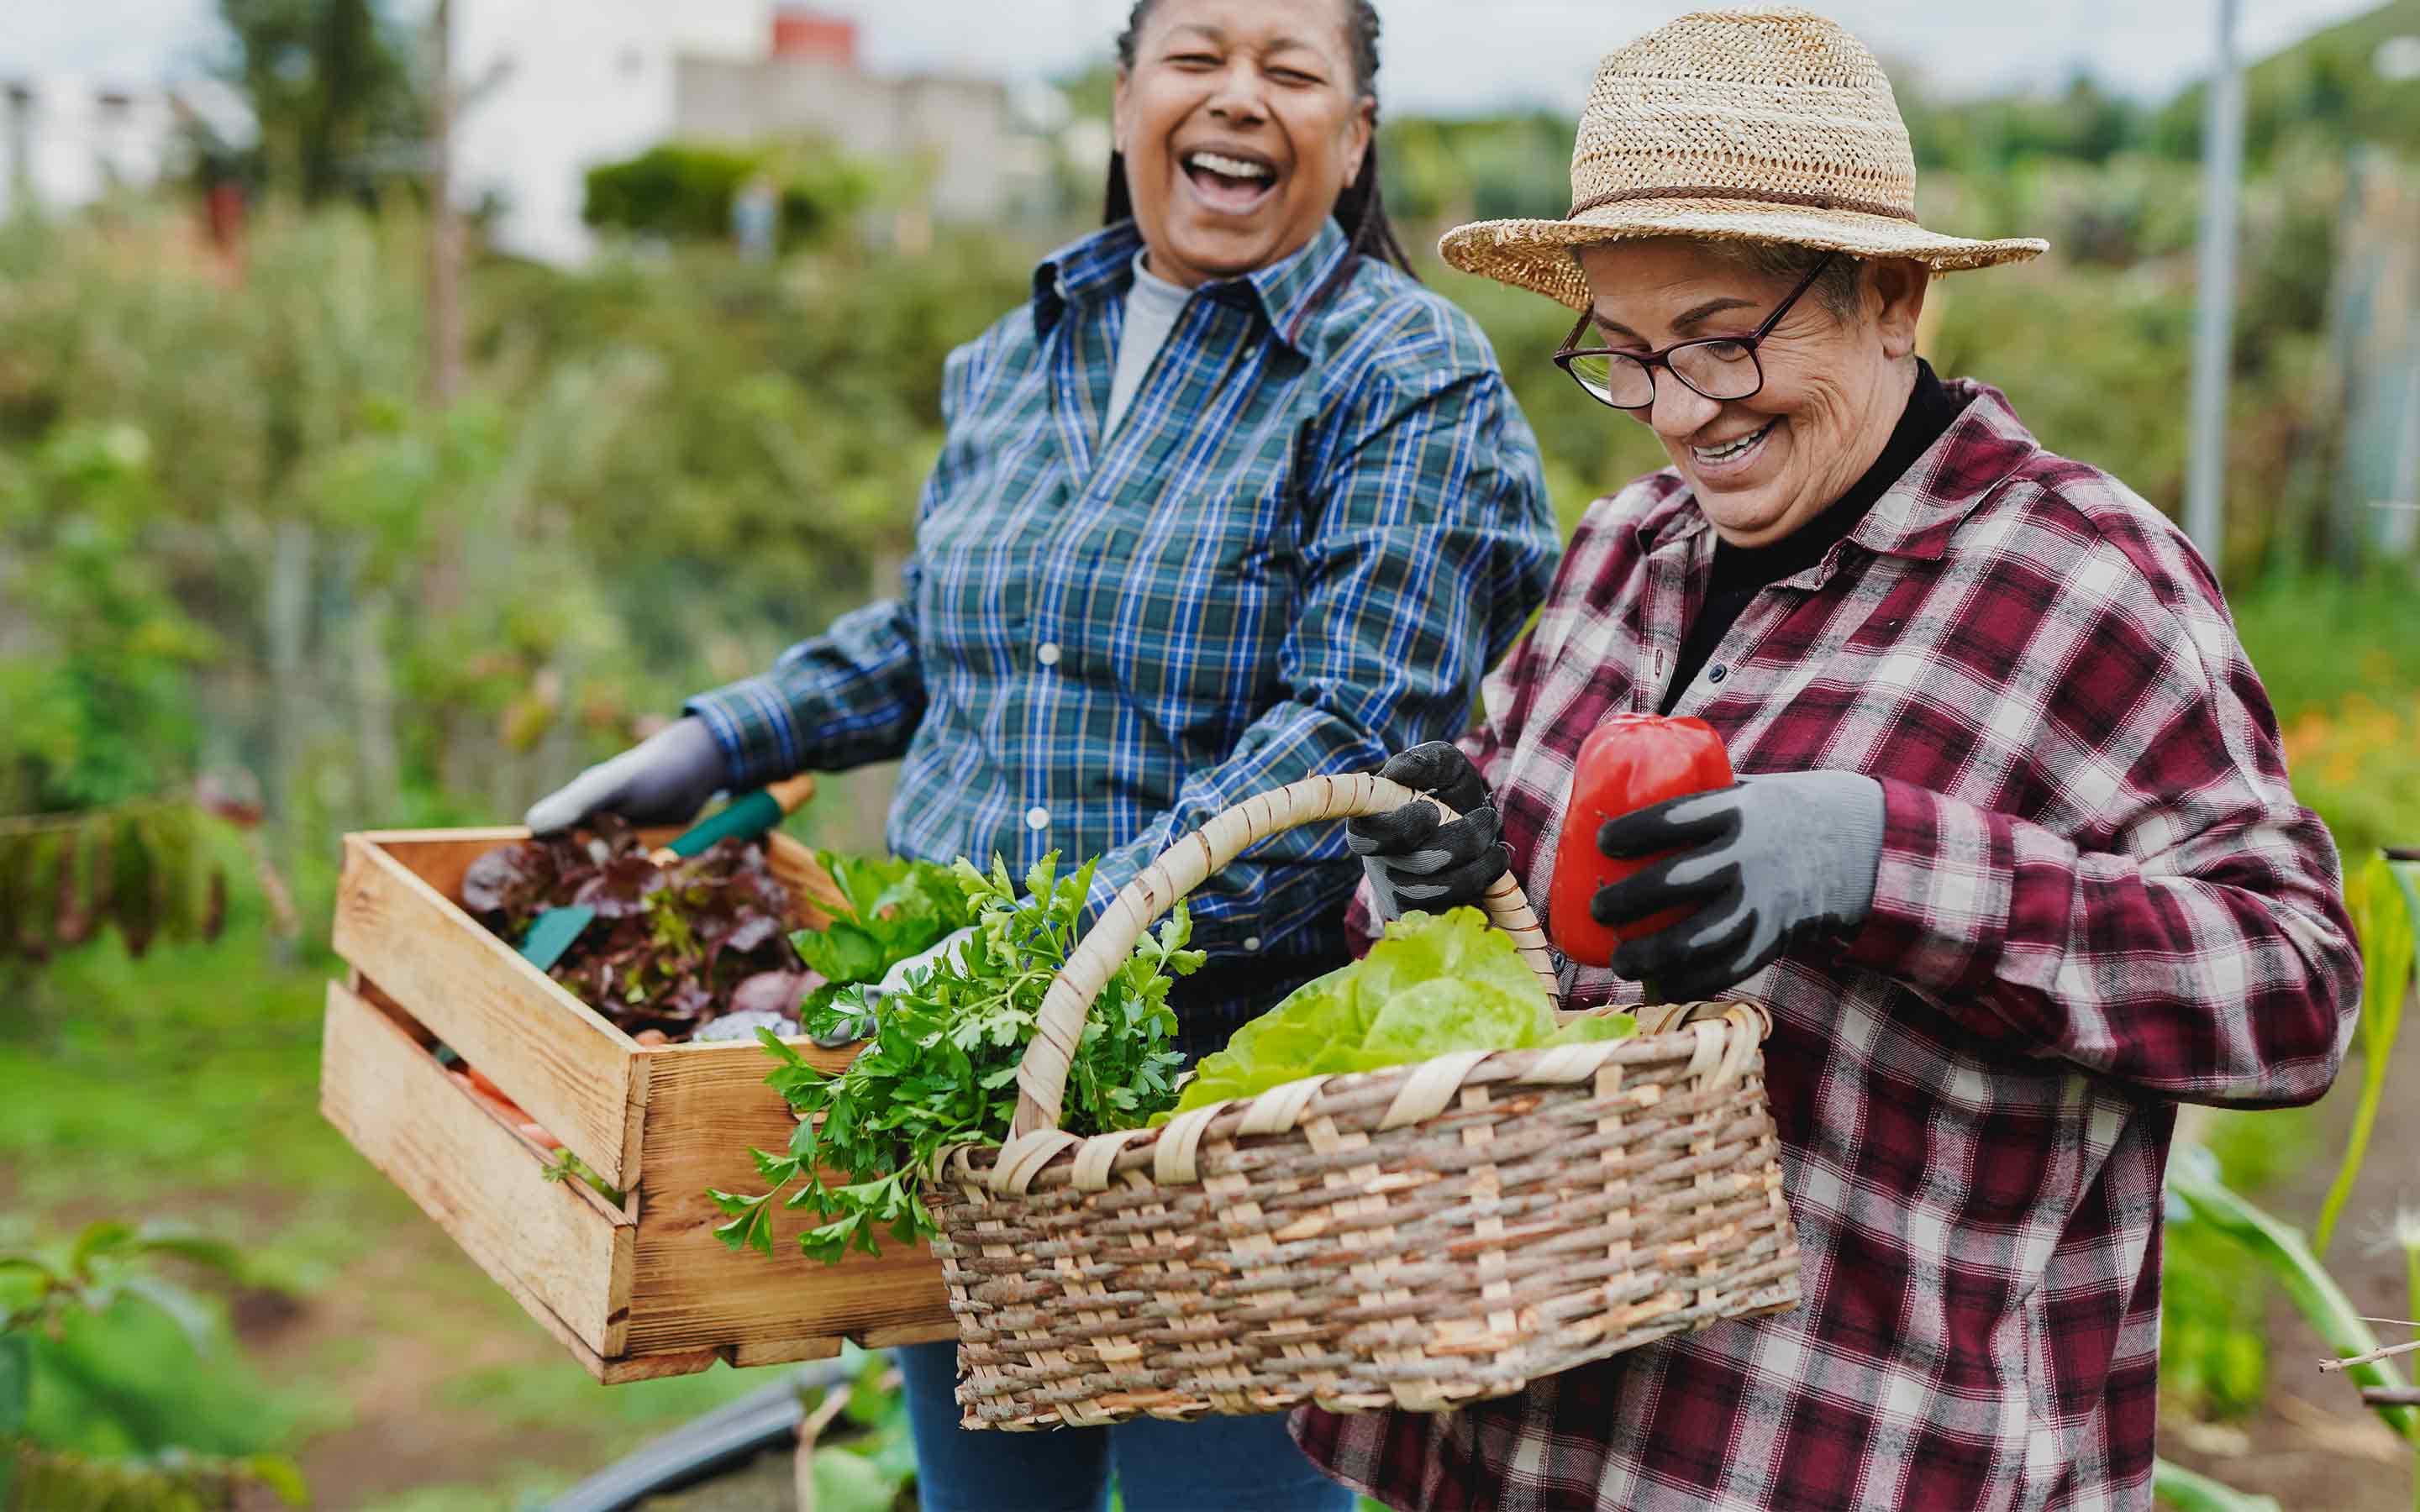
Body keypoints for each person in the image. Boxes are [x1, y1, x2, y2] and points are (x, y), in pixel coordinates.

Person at [1314, 9, 2363, 1509]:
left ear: (1892, 295)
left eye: (1728, 339)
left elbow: (2292, 990)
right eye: (1626, 353)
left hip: (1835, 1453)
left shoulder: (2081, 580)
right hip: (1521, 1446)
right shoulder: (1622, 553)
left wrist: (1886, 858)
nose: (1680, 411)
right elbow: (1534, 962)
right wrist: (1441, 883)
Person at [524, 0, 1559, 1506]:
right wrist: (713, 740)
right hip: (955, 1085)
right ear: (1127, 94)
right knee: (986, 1497)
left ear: (1357, 133)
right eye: (1198, 56)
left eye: (1292, 68)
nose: (1239, 99)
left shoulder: (1409, 380)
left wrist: (1031, 975)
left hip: (1208, 1102)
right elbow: (949, 627)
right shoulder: (1019, 352)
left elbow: (1350, 728)